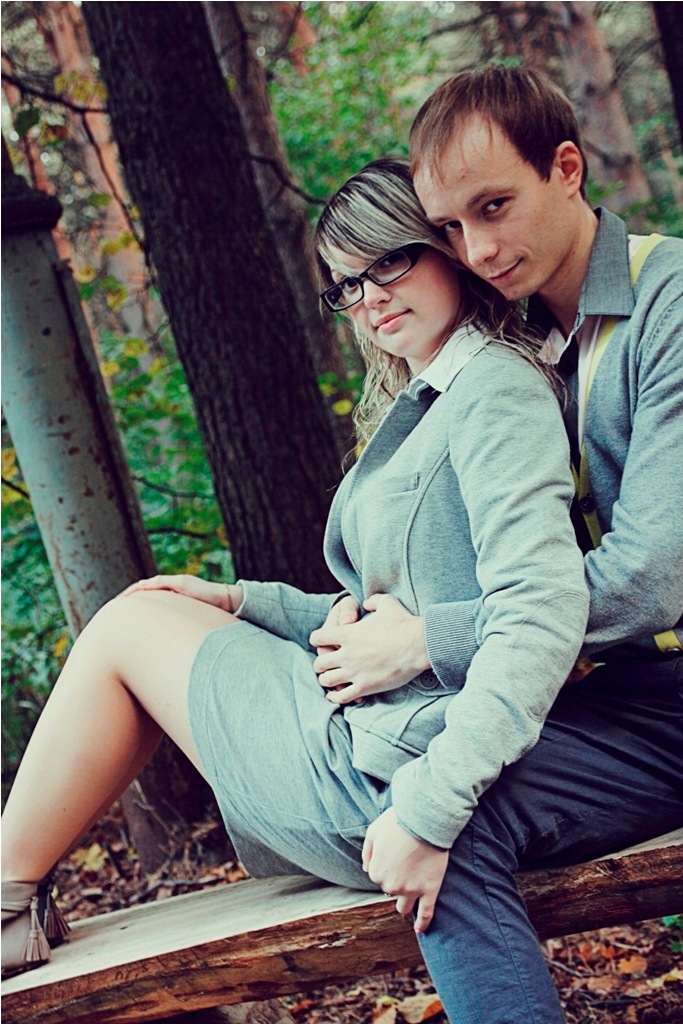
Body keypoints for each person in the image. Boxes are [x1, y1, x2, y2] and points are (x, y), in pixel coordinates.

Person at [1, 158, 589, 982]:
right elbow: (392, 612)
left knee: (127, 628)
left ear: (445, 247)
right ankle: (9, 900)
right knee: (149, 609)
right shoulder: (434, 394)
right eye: (347, 284)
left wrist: (430, 803)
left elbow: (528, 612)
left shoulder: (493, 390)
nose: (370, 297)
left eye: (388, 261)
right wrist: (241, 599)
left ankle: (4, 904)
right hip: (379, 731)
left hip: (396, 773)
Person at [386, 64, 682, 1023]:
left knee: (447, 817)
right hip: (615, 696)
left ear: (565, 168)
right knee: (425, 791)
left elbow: (651, 578)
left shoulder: (671, 302)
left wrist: (432, 637)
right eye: (448, 228)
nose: (476, 249)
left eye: (493, 206)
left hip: (665, 694)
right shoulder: (510, 345)